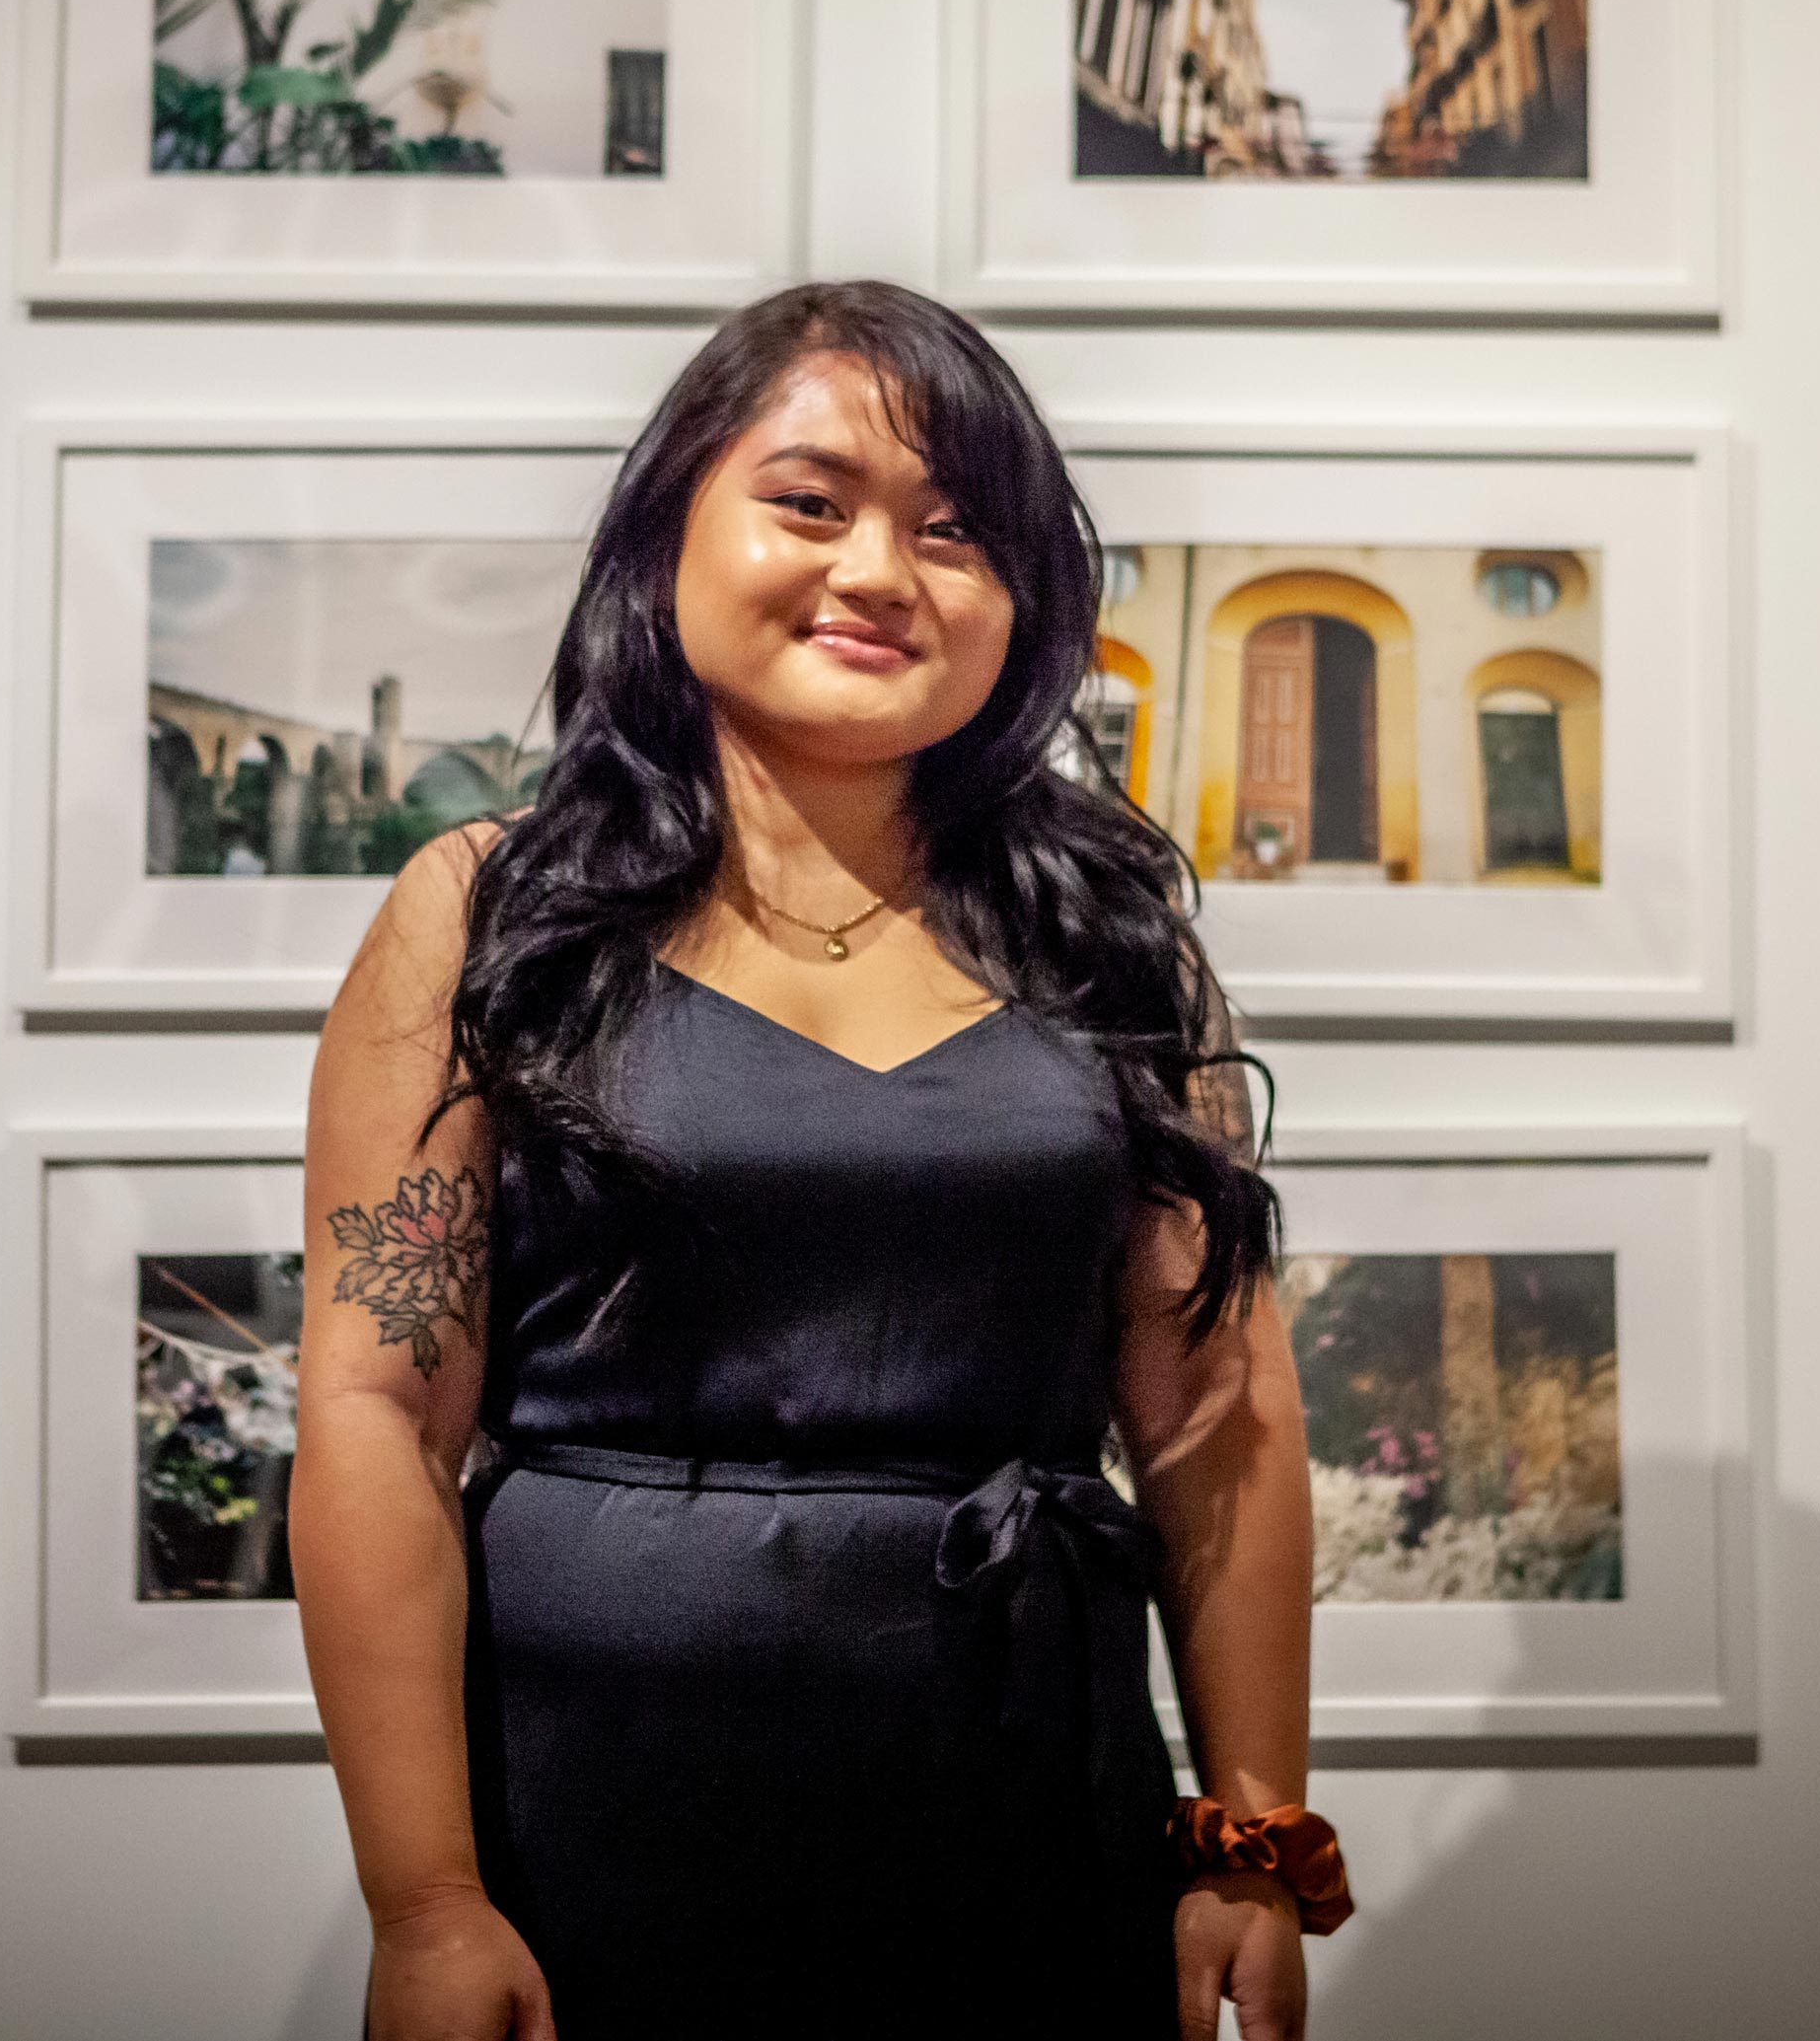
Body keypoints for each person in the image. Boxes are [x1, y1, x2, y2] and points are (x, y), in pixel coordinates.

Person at [292, 280, 1347, 2040]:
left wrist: (1249, 1837)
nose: (879, 569)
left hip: (1027, 1805)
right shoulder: (489, 915)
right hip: (589, 1819)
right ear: (669, 524)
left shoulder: (1112, 936)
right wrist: (427, 1901)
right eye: (810, 500)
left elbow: (1214, 1411)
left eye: (955, 532)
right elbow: (377, 1411)